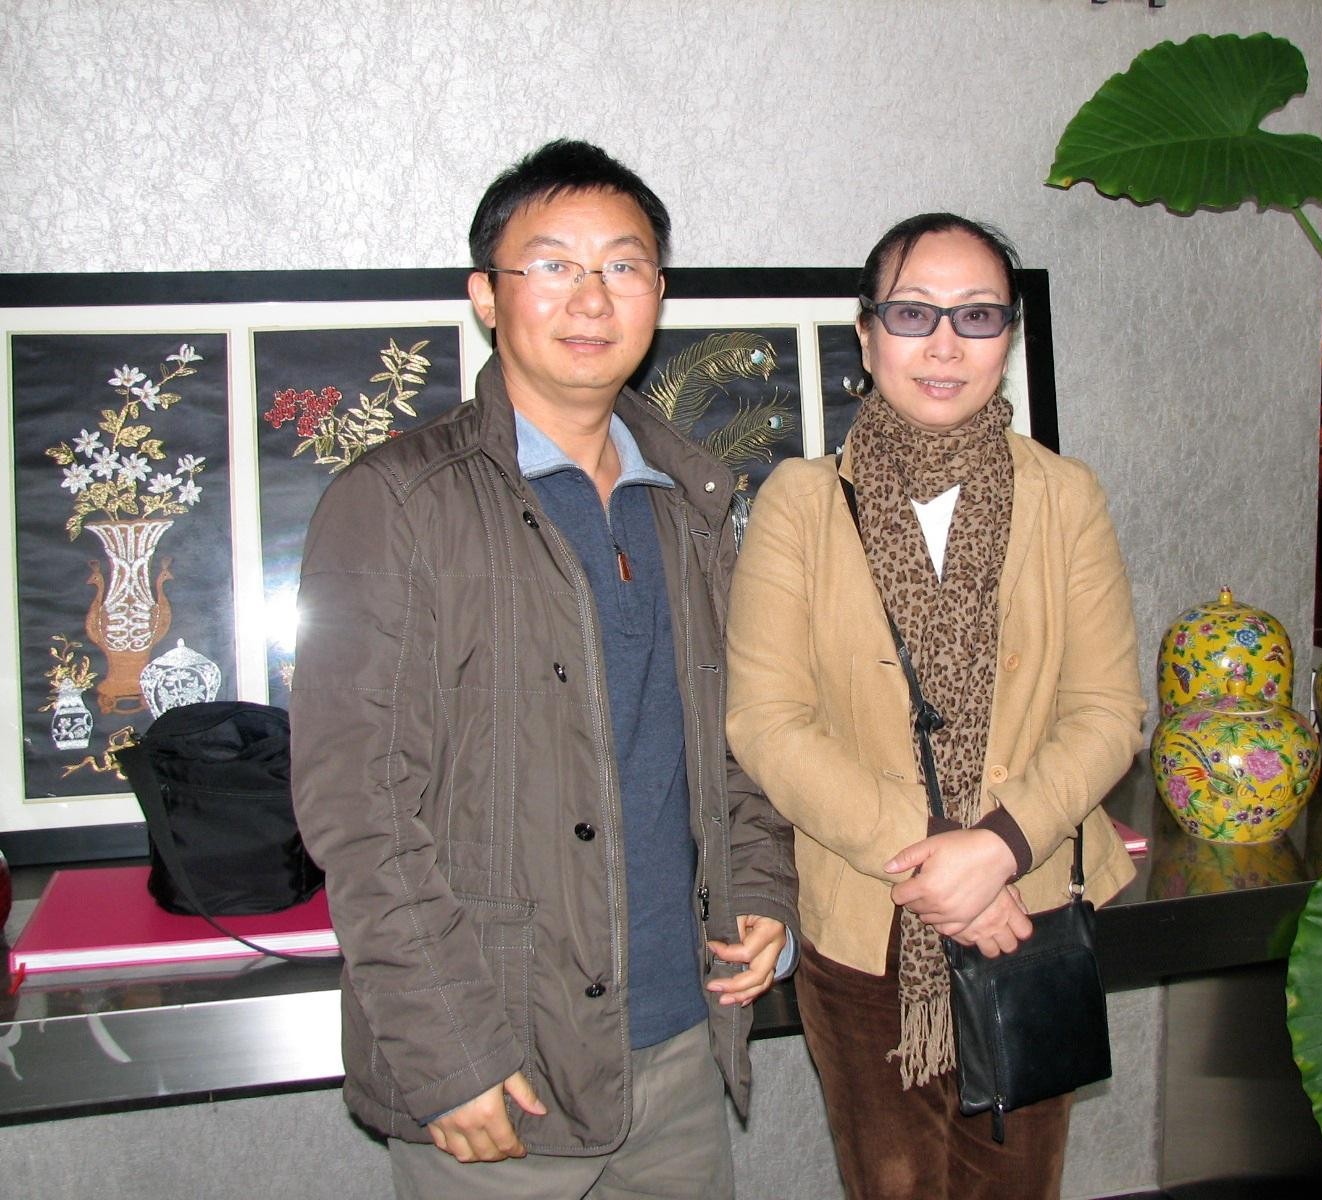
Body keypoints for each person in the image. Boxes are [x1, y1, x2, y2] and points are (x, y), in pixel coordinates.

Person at [291, 139, 797, 1200]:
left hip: (682, 1049)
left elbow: (733, 735)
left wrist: (759, 888)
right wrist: (446, 1053)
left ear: (658, 293)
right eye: (553, 264)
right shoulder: (397, 503)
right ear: (487, 294)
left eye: (624, 265)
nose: (592, 297)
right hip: (500, 1069)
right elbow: (360, 808)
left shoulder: (692, 501)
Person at [725, 213, 1144, 1199]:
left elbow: (1106, 710)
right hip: (866, 914)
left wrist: (996, 848)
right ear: (866, 335)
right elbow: (766, 721)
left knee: (1018, 1184)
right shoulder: (798, 503)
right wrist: (937, 861)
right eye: (913, 313)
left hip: (1028, 913)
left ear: (1008, 336)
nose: (945, 343)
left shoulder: (1066, 497)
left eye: (977, 315)